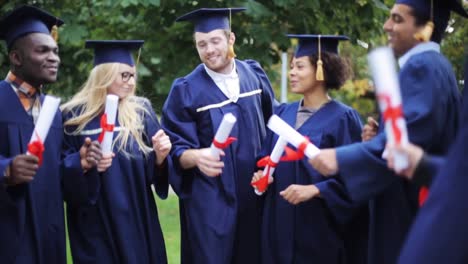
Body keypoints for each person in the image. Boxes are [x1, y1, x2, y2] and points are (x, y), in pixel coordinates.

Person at [308, 0, 467, 263]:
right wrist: (379, 133)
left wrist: (341, 158)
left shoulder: (423, 67)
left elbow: (408, 141)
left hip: (408, 209)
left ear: (426, 28)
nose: (387, 25)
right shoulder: (437, 66)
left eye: (397, 19)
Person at [161, 7, 276, 264]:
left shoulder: (254, 76)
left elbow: (274, 125)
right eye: (202, 44)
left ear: (231, 39)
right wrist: (196, 156)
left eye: (215, 41)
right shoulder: (186, 90)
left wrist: (270, 165)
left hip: (254, 193)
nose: (209, 49)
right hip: (210, 201)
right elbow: (175, 149)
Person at [251, 34, 367, 264]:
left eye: (299, 66)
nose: (291, 72)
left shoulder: (344, 118)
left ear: (321, 68)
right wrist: (260, 175)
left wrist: (316, 189)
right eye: (291, 66)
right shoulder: (283, 113)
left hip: (318, 230)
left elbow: (356, 175)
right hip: (277, 223)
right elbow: (264, 158)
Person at [0, 5, 102, 263]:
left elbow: (57, 175)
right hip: (8, 236)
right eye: (42, 50)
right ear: (16, 57)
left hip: (49, 237)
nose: (54, 58)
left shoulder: (53, 112)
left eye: (55, 51)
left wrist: (78, 164)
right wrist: (6, 170)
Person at [61, 40, 171, 263]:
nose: (131, 82)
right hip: (94, 221)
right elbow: (60, 170)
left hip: (137, 217)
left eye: (133, 75)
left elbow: (151, 174)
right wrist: (83, 165)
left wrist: (160, 158)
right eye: (124, 76)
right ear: (103, 75)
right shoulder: (72, 117)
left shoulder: (140, 112)